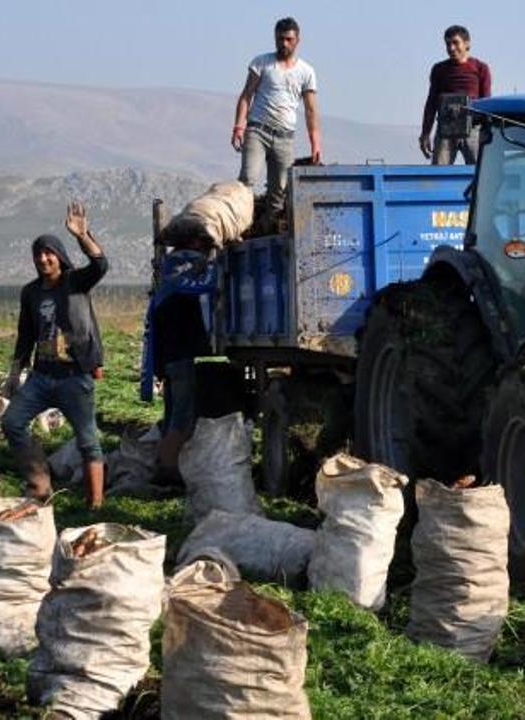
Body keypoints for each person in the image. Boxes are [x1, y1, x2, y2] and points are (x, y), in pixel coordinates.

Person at [1, 201, 108, 509]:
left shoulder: (75, 282)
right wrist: (13, 374)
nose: (43, 259)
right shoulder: (31, 292)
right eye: (38, 254)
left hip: (74, 377)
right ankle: (39, 484)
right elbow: (25, 335)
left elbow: (101, 265)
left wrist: (82, 235)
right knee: (12, 423)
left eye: (48, 253)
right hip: (42, 377)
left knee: (88, 441)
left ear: (59, 256)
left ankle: (95, 505)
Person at [140, 234, 219, 485]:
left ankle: (162, 464)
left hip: (168, 361)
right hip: (180, 360)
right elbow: (206, 284)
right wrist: (207, 265)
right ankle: (167, 470)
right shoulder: (179, 289)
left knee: (173, 411)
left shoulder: (165, 291)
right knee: (181, 419)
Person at [232, 16, 321, 214]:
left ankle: (269, 229)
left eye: (289, 39)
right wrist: (239, 126)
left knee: (279, 191)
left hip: (284, 137)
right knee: (248, 178)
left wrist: (315, 143)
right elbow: (247, 95)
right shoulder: (262, 63)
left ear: (297, 40)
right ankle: (238, 221)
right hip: (258, 130)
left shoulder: (306, 72)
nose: (284, 43)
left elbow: (310, 110)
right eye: (280, 39)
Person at [419, 24, 491, 165]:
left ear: (467, 44)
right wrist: (425, 133)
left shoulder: (480, 68)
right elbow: (432, 103)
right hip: (446, 128)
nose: (451, 48)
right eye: (448, 44)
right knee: (439, 174)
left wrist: (487, 133)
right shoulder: (439, 69)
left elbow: (486, 102)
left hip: (473, 129)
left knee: (480, 173)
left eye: (455, 43)